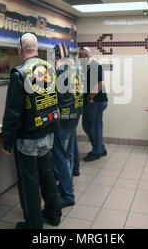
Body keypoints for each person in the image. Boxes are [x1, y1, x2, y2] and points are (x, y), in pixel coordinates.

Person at [1, 33, 61, 229]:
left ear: (20, 49)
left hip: (28, 136)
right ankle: (54, 214)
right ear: (36, 48)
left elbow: (13, 111)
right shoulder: (50, 68)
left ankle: (33, 224)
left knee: (29, 182)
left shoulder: (19, 72)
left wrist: (7, 141)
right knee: (47, 175)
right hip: (48, 131)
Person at [51, 43, 83, 209]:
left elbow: (53, 97)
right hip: (75, 115)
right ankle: (66, 185)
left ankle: (67, 194)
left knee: (60, 157)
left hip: (63, 119)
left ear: (56, 56)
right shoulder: (76, 69)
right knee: (69, 153)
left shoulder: (58, 71)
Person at [78, 47, 108, 162]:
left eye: (80, 55)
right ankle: (100, 148)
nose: (79, 58)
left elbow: (101, 83)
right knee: (87, 125)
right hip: (90, 102)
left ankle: (97, 152)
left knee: (94, 127)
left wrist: (90, 97)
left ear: (85, 55)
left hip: (96, 101)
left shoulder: (95, 65)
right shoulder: (87, 67)